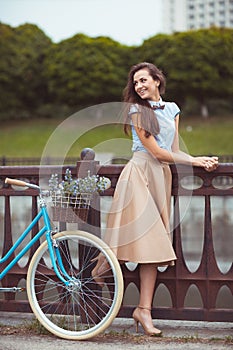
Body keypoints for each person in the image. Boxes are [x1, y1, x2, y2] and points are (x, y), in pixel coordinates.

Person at [92, 62, 218, 336]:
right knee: (136, 235)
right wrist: (194, 160)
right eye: (135, 83)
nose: (139, 86)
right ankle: (101, 268)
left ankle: (143, 311)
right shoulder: (137, 111)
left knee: (153, 245)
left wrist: (198, 160)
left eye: (143, 80)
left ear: (157, 80)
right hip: (139, 173)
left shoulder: (172, 109)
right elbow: (156, 152)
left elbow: (172, 150)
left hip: (162, 177)